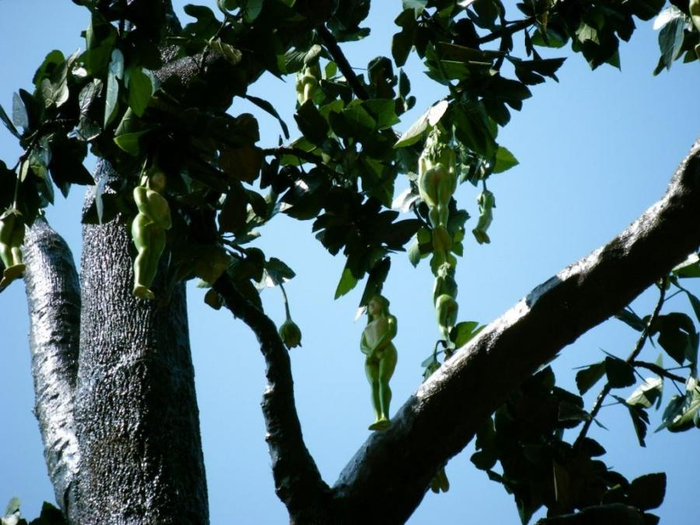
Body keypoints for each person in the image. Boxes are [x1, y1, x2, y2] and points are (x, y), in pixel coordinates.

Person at [360, 294, 398, 431]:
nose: (370, 307)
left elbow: (390, 333)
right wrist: (372, 353)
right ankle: (377, 417)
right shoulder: (366, 328)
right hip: (370, 358)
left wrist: (375, 349)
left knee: (383, 380)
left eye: (373, 304)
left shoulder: (389, 319)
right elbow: (362, 346)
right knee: (374, 383)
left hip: (386, 351)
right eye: (369, 305)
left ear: (381, 305)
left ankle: (385, 416)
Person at [131, 171, 171, 300]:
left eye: (164, 178)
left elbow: (169, 222)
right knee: (145, 249)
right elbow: (142, 206)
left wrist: (161, 224)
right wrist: (154, 220)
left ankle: (145, 287)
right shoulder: (140, 189)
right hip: (144, 221)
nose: (161, 178)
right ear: (149, 177)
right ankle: (138, 282)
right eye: (158, 175)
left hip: (159, 229)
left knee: (154, 257)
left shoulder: (164, 200)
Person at [0, 208, 26, 289]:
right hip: (18, 218)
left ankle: (9, 266)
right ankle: (17, 263)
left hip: (8, 215)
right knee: (14, 246)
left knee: (1, 242)